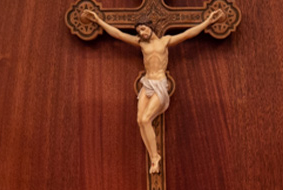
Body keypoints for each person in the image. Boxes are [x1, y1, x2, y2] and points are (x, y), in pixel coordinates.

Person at [84, 9, 223, 174]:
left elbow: (188, 34)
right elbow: (119, 35)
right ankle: (154, 158)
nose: (141, 33)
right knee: (140, 120)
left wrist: (208, 22)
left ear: (150, 27)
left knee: (145, 118)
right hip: (147, 83)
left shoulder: (165, 41)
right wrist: (99, 21)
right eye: (139, 31)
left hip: (160, 84)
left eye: (143, 29)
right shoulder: (141, 44)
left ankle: (155, 157)